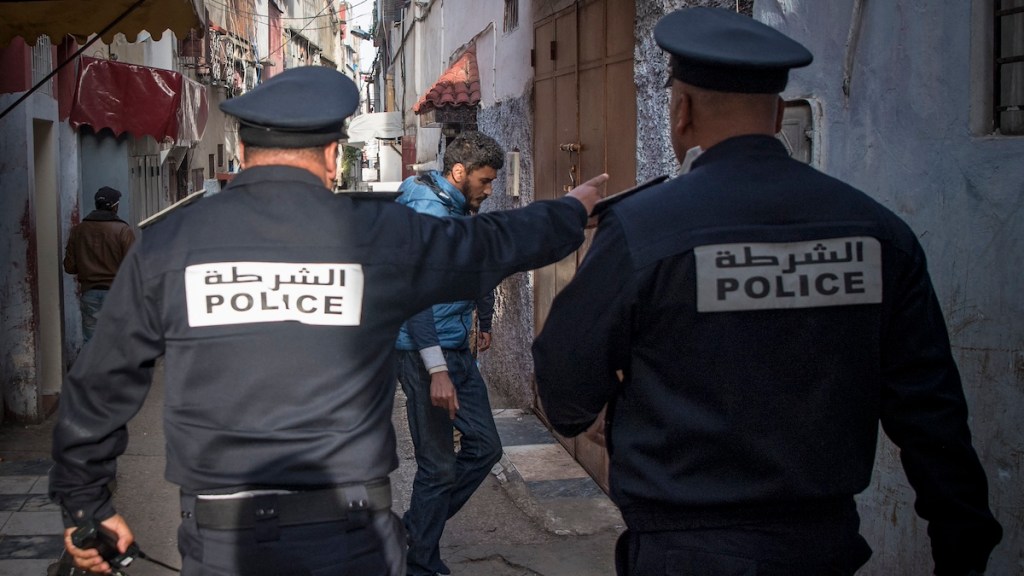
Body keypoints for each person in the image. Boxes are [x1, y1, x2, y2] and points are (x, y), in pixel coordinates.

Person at [50, 65, 609, 576]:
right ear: (332, 157)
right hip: (350, 535)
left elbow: (100, 383)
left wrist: (86, 505)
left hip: (224, 542)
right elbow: (486, 244)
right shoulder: (377, 238)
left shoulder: (168, 245)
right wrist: (569, 209)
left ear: (241, 151)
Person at [532, 7, 1002, 576]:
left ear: (680, 112)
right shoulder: (877, 233)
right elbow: (932, 414)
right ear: (778, 114)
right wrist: (963, 544)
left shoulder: (643, 231)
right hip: (823, 549)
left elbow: (563, 384)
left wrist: (609, 406)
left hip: (682, 551)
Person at [393, 131, 505, 576]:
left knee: (486, 447)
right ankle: (419, 561)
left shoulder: (461, 207)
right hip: (423, 355)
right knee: (438, 466)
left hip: (457, 346)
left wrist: (486, 317)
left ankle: (415, 531)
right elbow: (416, 297)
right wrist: (436, 369)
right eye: (485, 180)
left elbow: (476, 262)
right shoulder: (427, 213)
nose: (490, 188)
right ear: (459, 173)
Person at [63, 186, 135, 342]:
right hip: (117, 293)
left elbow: (69, 267)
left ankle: (94, 367)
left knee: (91, 341)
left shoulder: (78, 230)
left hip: (90, 294)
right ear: (115, 206)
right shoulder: (123, 230)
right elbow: (133, 266)